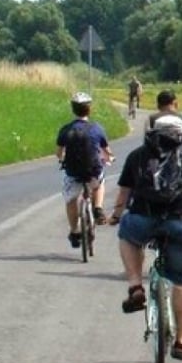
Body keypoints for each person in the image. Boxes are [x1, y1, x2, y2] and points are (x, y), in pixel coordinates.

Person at [108, 115, 182, 360]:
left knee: (127, 234)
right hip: (179, 221)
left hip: (143, 217)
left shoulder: (137, 155)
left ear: (153, 132)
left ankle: (135, 286)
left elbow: (124, 191)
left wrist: (116, 214)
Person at [55, 92, 115, 248]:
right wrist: (109, 158)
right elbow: (106, 151)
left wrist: (62, 160)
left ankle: (75, 231)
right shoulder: (97, 128)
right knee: (100, 181)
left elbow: (59, 153)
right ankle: (98, 208)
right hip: (93, 170)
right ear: (89, 109)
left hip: (73, 172)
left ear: (73, 109)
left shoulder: (66, 129)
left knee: (71, 200)